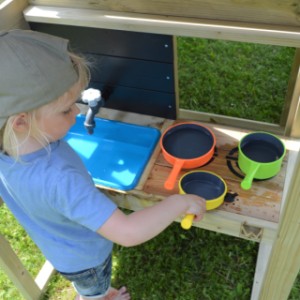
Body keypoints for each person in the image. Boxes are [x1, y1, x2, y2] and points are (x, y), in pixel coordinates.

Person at [0, 29, 206, 300]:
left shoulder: (11, 149)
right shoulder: (60, 179)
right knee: (94, 289)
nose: (76, 112)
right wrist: (180, 203)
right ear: (21, 122)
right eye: (66, 110)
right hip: (87, 259)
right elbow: (128, 232)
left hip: (57, 245)